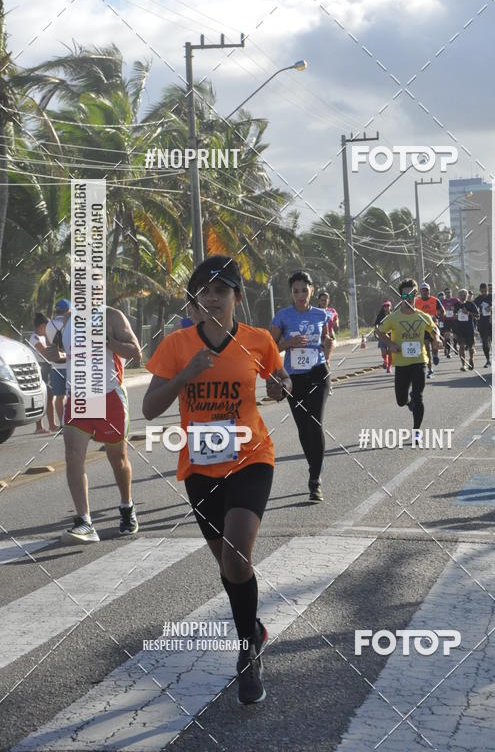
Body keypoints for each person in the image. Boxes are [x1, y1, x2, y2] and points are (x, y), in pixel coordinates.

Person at [143, 255, 291, 705]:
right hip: (198, 469)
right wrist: (186, 375)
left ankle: (247, 654)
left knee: (235, 554)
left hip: (251, 457)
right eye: (203, 292)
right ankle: (254, 628)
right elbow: (150, 409)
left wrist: (279, 384)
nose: (212, 298)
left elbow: (278, 377)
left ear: (236, 297)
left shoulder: (258, 340)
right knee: (230, 568)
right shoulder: (176, 346)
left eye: (221, 291)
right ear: (195, 299)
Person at [59, 305, 142, 544]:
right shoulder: (68, 321)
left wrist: (107, 341)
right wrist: (54, 354)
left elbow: (135, 352)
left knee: (118, 459)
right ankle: (84, 521)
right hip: (78, 398)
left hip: (109, 397)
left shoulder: (112, 315)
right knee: (73, 456)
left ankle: (127, 507)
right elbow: (69, 355)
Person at [271, 270, 333, 503]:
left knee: (315, 422)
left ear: (312, 291)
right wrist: (289, 343)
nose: (300, 294)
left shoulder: (321, 314)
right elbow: (270, 348)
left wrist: (327, 351)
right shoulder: (283, 316)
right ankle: (314, 465)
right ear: (291, 293)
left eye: (304, 290)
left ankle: (314, 480)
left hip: (318, 373)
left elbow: (328, 339)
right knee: (303, 427)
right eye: (296, 291)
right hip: (293, 378)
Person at [374, 278, 440, 436]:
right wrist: (390, 343)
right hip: (401, 363)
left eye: (411, 295)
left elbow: (434, 329)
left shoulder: (423, 316)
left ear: (416, 295)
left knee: (419, 396)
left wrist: (436, 339)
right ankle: (408, 402)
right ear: (400, 296)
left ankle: (417, 430)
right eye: (404, 295)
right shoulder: (394, 317)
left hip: (419, 361)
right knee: (401, 400)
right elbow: (379, 331)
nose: (408, 298)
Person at [27, 312, 57, 433]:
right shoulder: (34, 338)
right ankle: (41, 426)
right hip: (39, 368)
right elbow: (46, 353)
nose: (48, 329)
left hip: (47, 367)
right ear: (40, 326)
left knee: (50, 396)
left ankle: (51, 424)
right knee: (43, 396)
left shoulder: (44, 337)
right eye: (46, 326)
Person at [45, 299, 70, 429]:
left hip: (56, 366)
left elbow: (49, 344)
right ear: (68, 310)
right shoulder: (70, 323)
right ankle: (75, 423)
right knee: (74, 394)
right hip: (70, 365)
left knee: (59, 397)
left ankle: (62, 423)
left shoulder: (49, 325)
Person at [415, 282, 443, 378]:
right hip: (422, 328)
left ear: (429, 291)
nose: (424, 292)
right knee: (426, 349)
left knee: (435, 345)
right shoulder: (417, 301)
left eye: (426, 290)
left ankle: (435, 355)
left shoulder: (435, 300)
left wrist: (437, 317)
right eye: (422, 290)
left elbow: (442, 311)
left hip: (433, 327)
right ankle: (430, 370)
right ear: (420, 291)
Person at [453, 288, 479, 370]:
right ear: (458, 296)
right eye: (461, 295)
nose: (462, 297)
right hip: (459, 329)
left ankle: (471, 359)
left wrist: (468, 313)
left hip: (469, 329)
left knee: (471, 348)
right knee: (461, 347)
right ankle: (463, 364)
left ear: (467, 296)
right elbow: (454, 316)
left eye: (464, 295)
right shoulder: (456, 305)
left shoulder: (471, 304)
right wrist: (455, 316)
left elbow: (477, 315)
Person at [474, 282, 493, 367]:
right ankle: (488, 360)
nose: (484, 293)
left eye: (485, 291)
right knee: (485, 342)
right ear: (480, 291)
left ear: (487, 290)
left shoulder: (492, 297)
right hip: (482, 323)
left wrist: (491, 308)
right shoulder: (478, 299)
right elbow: (473, 308)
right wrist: (477, 312)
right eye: (482, 291)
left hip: (493, 322)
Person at [375, 300, 393, 372]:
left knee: (390, 352)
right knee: (383, 352)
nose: (386, 307)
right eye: (385, 306)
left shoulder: (393, 315)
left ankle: (389, 366)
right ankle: (385, 361)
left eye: (388, 306)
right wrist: (376, 329)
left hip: (392, 334)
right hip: (382, 334)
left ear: (390, 306)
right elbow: (376, 324)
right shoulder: (380, 315)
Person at [440, 287, 459, 358]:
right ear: (445, 294)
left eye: (449, 292)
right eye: (446, 293)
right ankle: (448, 352)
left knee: (456, 335)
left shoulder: (455, 300)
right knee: (447, 336)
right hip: (446, 320)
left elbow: (460, 308)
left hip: (454, 320)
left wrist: (454, 309)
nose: (448, 294)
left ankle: (455, 345)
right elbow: (439, 311)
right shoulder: (442, 302)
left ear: (451, 293)